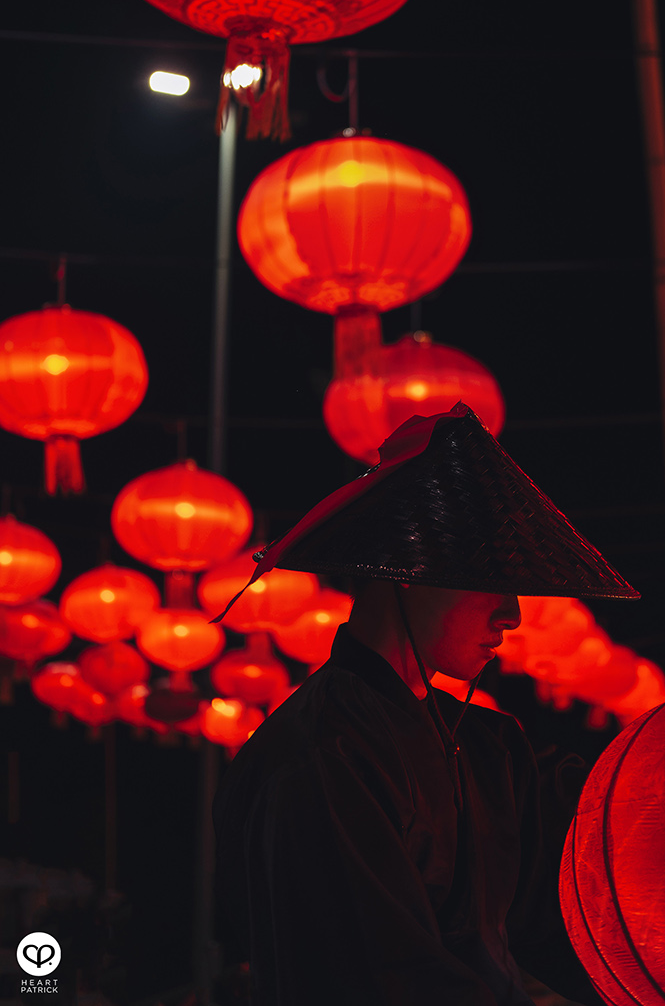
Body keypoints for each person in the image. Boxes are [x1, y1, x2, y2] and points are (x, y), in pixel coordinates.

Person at [212, 404, 638, 1006]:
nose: (511, 615)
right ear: (410, 571)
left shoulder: (492, 747)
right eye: (491, 580)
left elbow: (565, 909)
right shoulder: (319, 757)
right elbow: (384, 977)